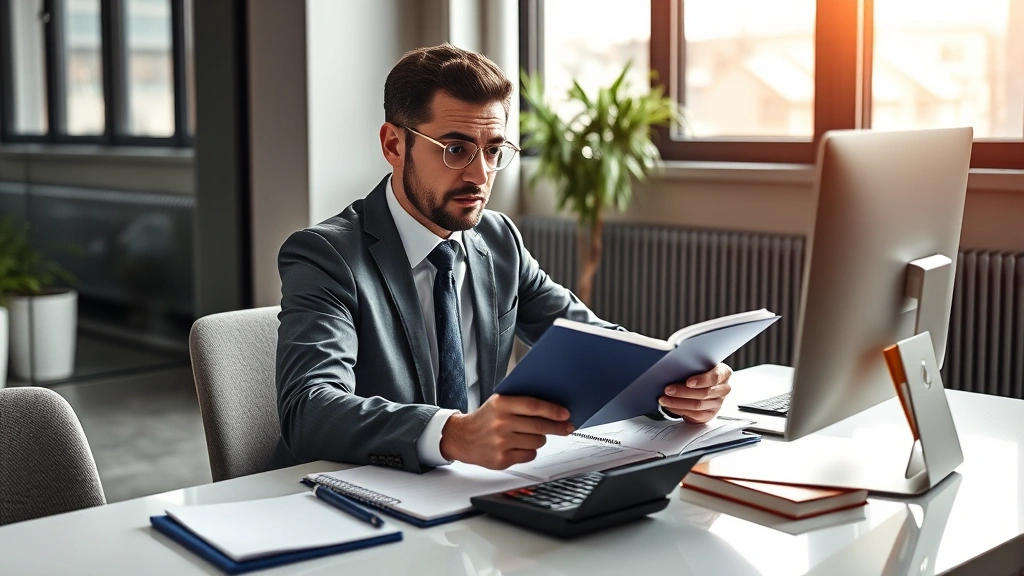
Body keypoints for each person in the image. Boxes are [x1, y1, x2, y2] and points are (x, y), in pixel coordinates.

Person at [271, 44, 733, 473]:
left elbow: (592, 342)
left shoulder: (498, 239)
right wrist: (453, 434)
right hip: (353, 495)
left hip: (472, 491)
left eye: (494, 150)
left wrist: (677, 387)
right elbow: (309, 409)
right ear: (394, 144)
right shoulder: (326, 255)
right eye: (456, 150)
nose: (480, 174)